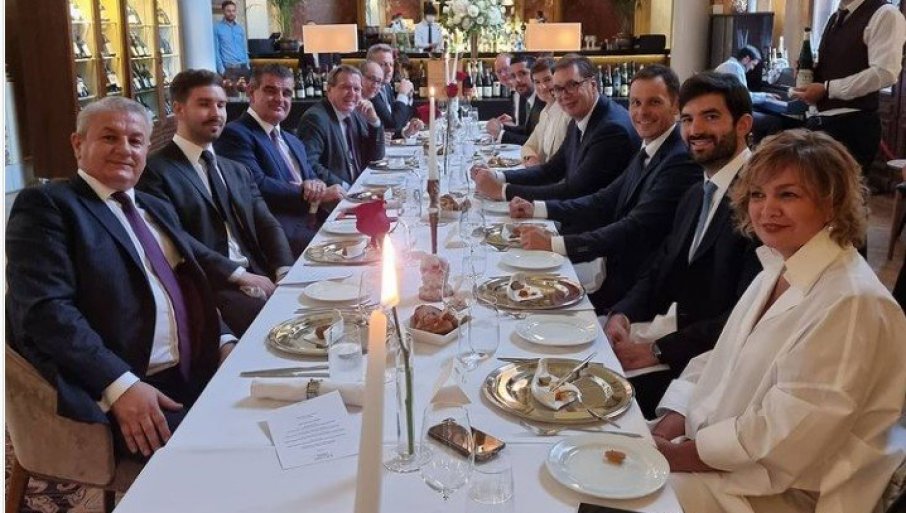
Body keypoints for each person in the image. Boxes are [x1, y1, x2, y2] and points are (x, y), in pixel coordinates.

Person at [653, 128, 906, 513]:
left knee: (616, 498)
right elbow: (719, 360)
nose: (767, 209)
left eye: (788, 195)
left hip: (781, 494)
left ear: (832, 203)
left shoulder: (854, 302)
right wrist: (669, 424)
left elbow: (789, 433)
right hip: (719, 460)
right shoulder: (776, 268)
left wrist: (676, 456)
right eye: (758, 194)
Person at [6, 97, 235, 459]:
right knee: (226, 456)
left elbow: (185, 287)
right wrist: (120, 384)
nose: (125, 149)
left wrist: (222, 340)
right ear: (78, 144)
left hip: (194, 370)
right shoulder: (48, 206)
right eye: (109, 137)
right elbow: (46, 312)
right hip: (127, 385)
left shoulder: (153, 206)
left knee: (283, 418)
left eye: (135, 140)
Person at [604, 72, 762, 418]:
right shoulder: (696, 193)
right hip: (678, 340)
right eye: (688, 119)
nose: (695, 130)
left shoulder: (762, 200)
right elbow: (662, 266)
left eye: (711, 116)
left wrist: (658, 351)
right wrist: (623, 313)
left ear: (743, 124)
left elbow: (749, 312)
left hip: (717, 372)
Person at [507, 65, 702, 310]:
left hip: (638, 294)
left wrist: (556, 244)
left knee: (525, 301)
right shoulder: (651, 147)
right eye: (635, 102)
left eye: (654, 102)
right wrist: (534, 208)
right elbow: (604, 199)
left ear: (675, 106)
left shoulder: (679, 159)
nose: (642, 112)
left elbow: (635, 227)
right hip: (615, 273)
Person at [139, 69, 292, 336]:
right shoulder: (154, 171)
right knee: (278, 328)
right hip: (211, 286)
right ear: (179, 109)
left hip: (259, 272)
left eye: (221, 105)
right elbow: (176, 239)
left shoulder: (235, 169)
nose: (216, 113)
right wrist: (240, 276)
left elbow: (265, 222)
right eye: (204, 104)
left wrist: (284, 270)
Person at [471, 55, 639, 202]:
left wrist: (502, 191)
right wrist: (497, 175)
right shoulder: (580, 115)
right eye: (558, 88)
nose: (564, 95)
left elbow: (575, 191)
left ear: (593, 85)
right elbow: (551, 170)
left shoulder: (611, 129)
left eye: (572, 85)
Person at [216, 64, 343, 257]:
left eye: (286, 93)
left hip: (315, 224)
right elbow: (255, 185)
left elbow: (313, 179)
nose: (280, 99)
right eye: (271, 91)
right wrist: (310, 193)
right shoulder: (235, 134)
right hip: (280, 238)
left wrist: (318, 185)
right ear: (251, 92)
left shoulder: (293, 140)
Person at [790, 0, 906, 177]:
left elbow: (885, 73)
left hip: (852, 126)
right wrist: (813, 70)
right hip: (821, 122)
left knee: (840, 192)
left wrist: (828, 89)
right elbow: (841, 64)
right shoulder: (836, 17)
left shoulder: (885, 13)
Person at [295, 65, 386, 187]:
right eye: (345, 87)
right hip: (336, 192)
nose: (352, 94)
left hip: (362, 186)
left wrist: (374, 121)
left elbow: (376, 157)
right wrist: (343, 186)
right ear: (329, 90)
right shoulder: (315, 118)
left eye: (356, 89)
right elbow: (309, 164)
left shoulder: (356, 113)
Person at [714, 45, 782, 142]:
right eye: (753, 64)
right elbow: (744, 97)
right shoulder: (735, 67)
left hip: (726, 110)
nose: (752, 68)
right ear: (746, 59)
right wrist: (766, 96)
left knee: (759, 115)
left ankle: (756, 147)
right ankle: (763, 150)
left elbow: (742, 94)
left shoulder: (729, 65)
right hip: (730, 113)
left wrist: (765, 95)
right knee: (773, 121)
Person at [520, 57, 571, 166]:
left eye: (547, 80)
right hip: (543, 172)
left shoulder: (568, 113)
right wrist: (531, 158)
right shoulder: (544, 112)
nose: (542, 87)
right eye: (537, 82)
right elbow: (528, 146)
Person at [365, 44, 421, 138]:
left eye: (391, 64)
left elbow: (395, 123)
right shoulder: (370, 91)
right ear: (370, 66)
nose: (389, 70)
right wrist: (402, 95)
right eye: (383, 65)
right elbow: (392, 125)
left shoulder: (386, 86)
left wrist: (406, 132)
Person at [487, 54, 545, 145]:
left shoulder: (543, 100)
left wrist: (501, 135)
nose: (517, 79)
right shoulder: (529, 99)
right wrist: (502, 127)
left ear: (535, 75)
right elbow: (528, 130)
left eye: (523, 74)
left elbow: (537, 143)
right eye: (513, 76)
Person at [213, 1, 249, 81]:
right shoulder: (217, 28)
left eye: (233, 11)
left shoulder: (239, 28)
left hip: (244, 68)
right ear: (223, 11)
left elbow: (244, 48)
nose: (231, 13)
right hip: (229, 70)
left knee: (247, 89)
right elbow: (216, 51)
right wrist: (222, 71)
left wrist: (248, 65)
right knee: (231, 90)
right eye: (228, 11)